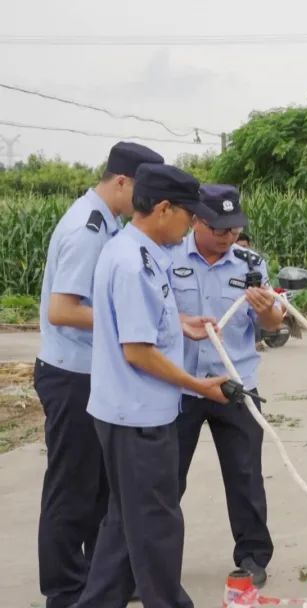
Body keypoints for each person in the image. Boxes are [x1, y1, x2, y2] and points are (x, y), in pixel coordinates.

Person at [75, 164, 229, 608]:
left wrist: (184, 327)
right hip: (137, 417)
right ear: (163, 209)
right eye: (189, 215)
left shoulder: (138, 251)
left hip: (130, 412)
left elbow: (146, 326)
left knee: (124, 525)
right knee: (157, 527)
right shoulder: (132, 263)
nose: (193, 225)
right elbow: (138, 351)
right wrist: (197, 386)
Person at [34, 141, 163, 608]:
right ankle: (66, 590)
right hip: (71, 375)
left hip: (93, 372)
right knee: (71, 489)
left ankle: (96, 581)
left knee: (100, 487)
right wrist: (124, 317)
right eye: (142, 192)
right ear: (123, 182)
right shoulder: (88, 230)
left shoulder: (108, 225)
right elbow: (63, 310)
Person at [171, 184, 283, 587]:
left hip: (236, 386)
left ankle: (253, 558)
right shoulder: (167, 257)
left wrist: (267, 310)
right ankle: (152, 564)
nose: (228, 236)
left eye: (234, 228)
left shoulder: (251, 264)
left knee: (244, 475)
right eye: (219, 228)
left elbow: (270, 327)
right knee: (166, 479)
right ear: (197, 220)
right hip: (180, 387)